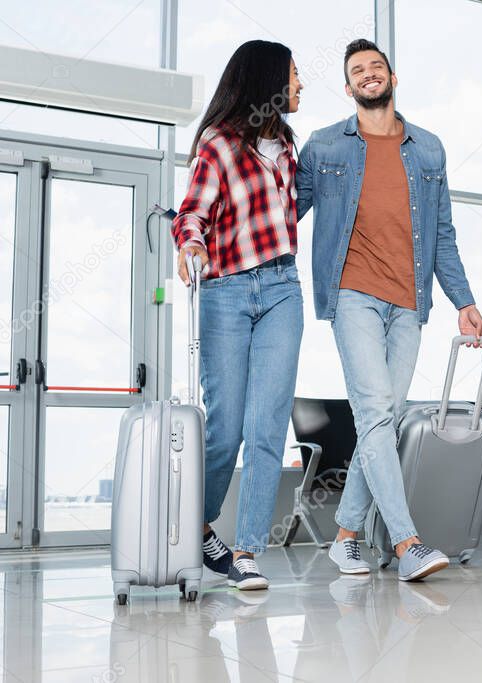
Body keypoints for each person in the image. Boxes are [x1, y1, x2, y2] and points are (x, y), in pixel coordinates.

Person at [296, 38, 482, 582]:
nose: (368, 74)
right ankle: (407, 544)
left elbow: (443, 233)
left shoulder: (428, 149)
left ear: (392, 78)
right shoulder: (325, 146)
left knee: (381, 417)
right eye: (357, 70)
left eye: (376, 66)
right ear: (349, 86)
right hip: (351, 292)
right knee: (377, 411)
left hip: (409, 301)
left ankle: (347, 537)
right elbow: (286, 211)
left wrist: (464, 300)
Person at [172, 40, 304, 590]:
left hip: (282, 289)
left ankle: (247, 550)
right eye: (294, 76)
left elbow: (286, 215)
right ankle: (191, 529)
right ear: (269, 79)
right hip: (226, 291)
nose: (301, 85)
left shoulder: (290, 149)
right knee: (225, 429)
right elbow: (192, 212)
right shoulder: (220, 144)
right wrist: (191, 246)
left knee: (267, 426)